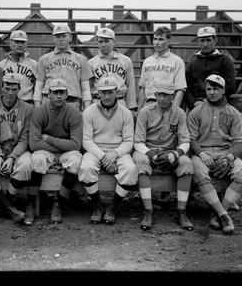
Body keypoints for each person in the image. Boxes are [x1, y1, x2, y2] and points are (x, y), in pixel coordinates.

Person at [187, 74, 242, 234]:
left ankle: (218, 212)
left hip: (225, 154)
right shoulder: (197, 111)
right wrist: (202, 154)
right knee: (199, 173)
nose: (211, 92)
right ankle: (224, 215)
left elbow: (239, 142)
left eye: (215, 89)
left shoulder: (233, 113)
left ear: (223, 90)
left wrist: (229, 158)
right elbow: (191, 139)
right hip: (203, 154)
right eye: (208, 89)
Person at [132, 80, 195, 231]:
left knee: (186, 163)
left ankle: (181, 211)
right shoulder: (145, 112)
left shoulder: (179, 113)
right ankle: (148, 210)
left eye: (166, 95)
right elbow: (138, 141)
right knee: (140, 162)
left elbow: (185, 141)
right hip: (147, 150)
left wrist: (175, 153)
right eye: (159, 94)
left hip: (169, 152)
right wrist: (150, 153)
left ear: (173, 96)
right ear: (154, 95)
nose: (162, 98)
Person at [79, 77, 138, 224]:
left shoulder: (125, 113)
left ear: (116, 92)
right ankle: (97, 205)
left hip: (118, 151)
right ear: (98, 92)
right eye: (103, 92)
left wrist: (114, 154)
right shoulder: (89, 111)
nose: (106, 96)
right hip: (96, 150)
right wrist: (103, 156)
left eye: (110, 92)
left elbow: (129, 141)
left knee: (130, 169)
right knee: (86, 168)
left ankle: (112, 207)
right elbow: (86, 140)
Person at [29, 78, 83, 224]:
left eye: (62, 92)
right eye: (55, 92)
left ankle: (59, 203)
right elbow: (34, 144)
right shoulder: (39, 112)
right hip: (47, 149)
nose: (59, 96)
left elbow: (76, 145)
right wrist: (61, 147)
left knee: (76, 161)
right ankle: (31, 203)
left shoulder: (74, 113)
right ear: (48, 94)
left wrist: (51, 140)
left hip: (61, 149)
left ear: (67, 94)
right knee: (37, 159)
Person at [0, 73, 32, 223]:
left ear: (19, 89)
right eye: (7, 88)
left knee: (26, 165)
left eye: (14, 89)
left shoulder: (28, 109)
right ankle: (9, 208)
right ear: (1, 88)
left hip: (17, 148)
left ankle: (1, 205)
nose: (10, 92)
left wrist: (11, 158)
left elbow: (24, 139)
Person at [34, 24, 93, 111]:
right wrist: (38, 108)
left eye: (64, 36)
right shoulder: (44, 59)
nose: (61, 39)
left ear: (70, 37)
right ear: (53, 38)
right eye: (57, 36)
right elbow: (38, 86)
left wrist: (87, 109)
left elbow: (85, 88)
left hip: (72, 102)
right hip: (49, 102)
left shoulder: (80, 59)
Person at [185, 27, 236, 110]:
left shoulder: (224, 61)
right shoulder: (192, 62)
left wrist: (212, 102)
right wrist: (194, 104)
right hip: (196, 106)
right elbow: (187, 88)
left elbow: (231, 87)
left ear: (215, 40)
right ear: (198, 42)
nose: (205, 44)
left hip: (219, 106)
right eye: (202, 40)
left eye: (208, 40)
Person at [137, 26, 187, 111]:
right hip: (148, 105)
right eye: (155, 39)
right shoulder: (147, 61)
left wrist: (174, 112)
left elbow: (180, 90)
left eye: (161, 39)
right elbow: (143, 88)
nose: (156, 42)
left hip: (167, 106)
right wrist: (139, 111)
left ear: (168, 41)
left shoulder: (177, 61)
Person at [88, 27, 137, 113]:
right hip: (98, 102)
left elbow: (131, 86)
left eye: (107, 41)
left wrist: (131, 108)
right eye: (100, 41)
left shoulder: (125, 61)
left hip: (119, 101)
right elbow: (88, 89)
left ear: (114, 42)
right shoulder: (92, 63)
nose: (103, 45)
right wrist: (88, 108)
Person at [0, 30, 38, 104]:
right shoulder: (0, 66)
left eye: (22, 42)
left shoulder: (34, 65)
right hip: (6, 104)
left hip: (27, 103)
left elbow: (38, 88)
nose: (19, 45)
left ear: (26, 45)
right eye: (16, 42)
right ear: (10, 44)